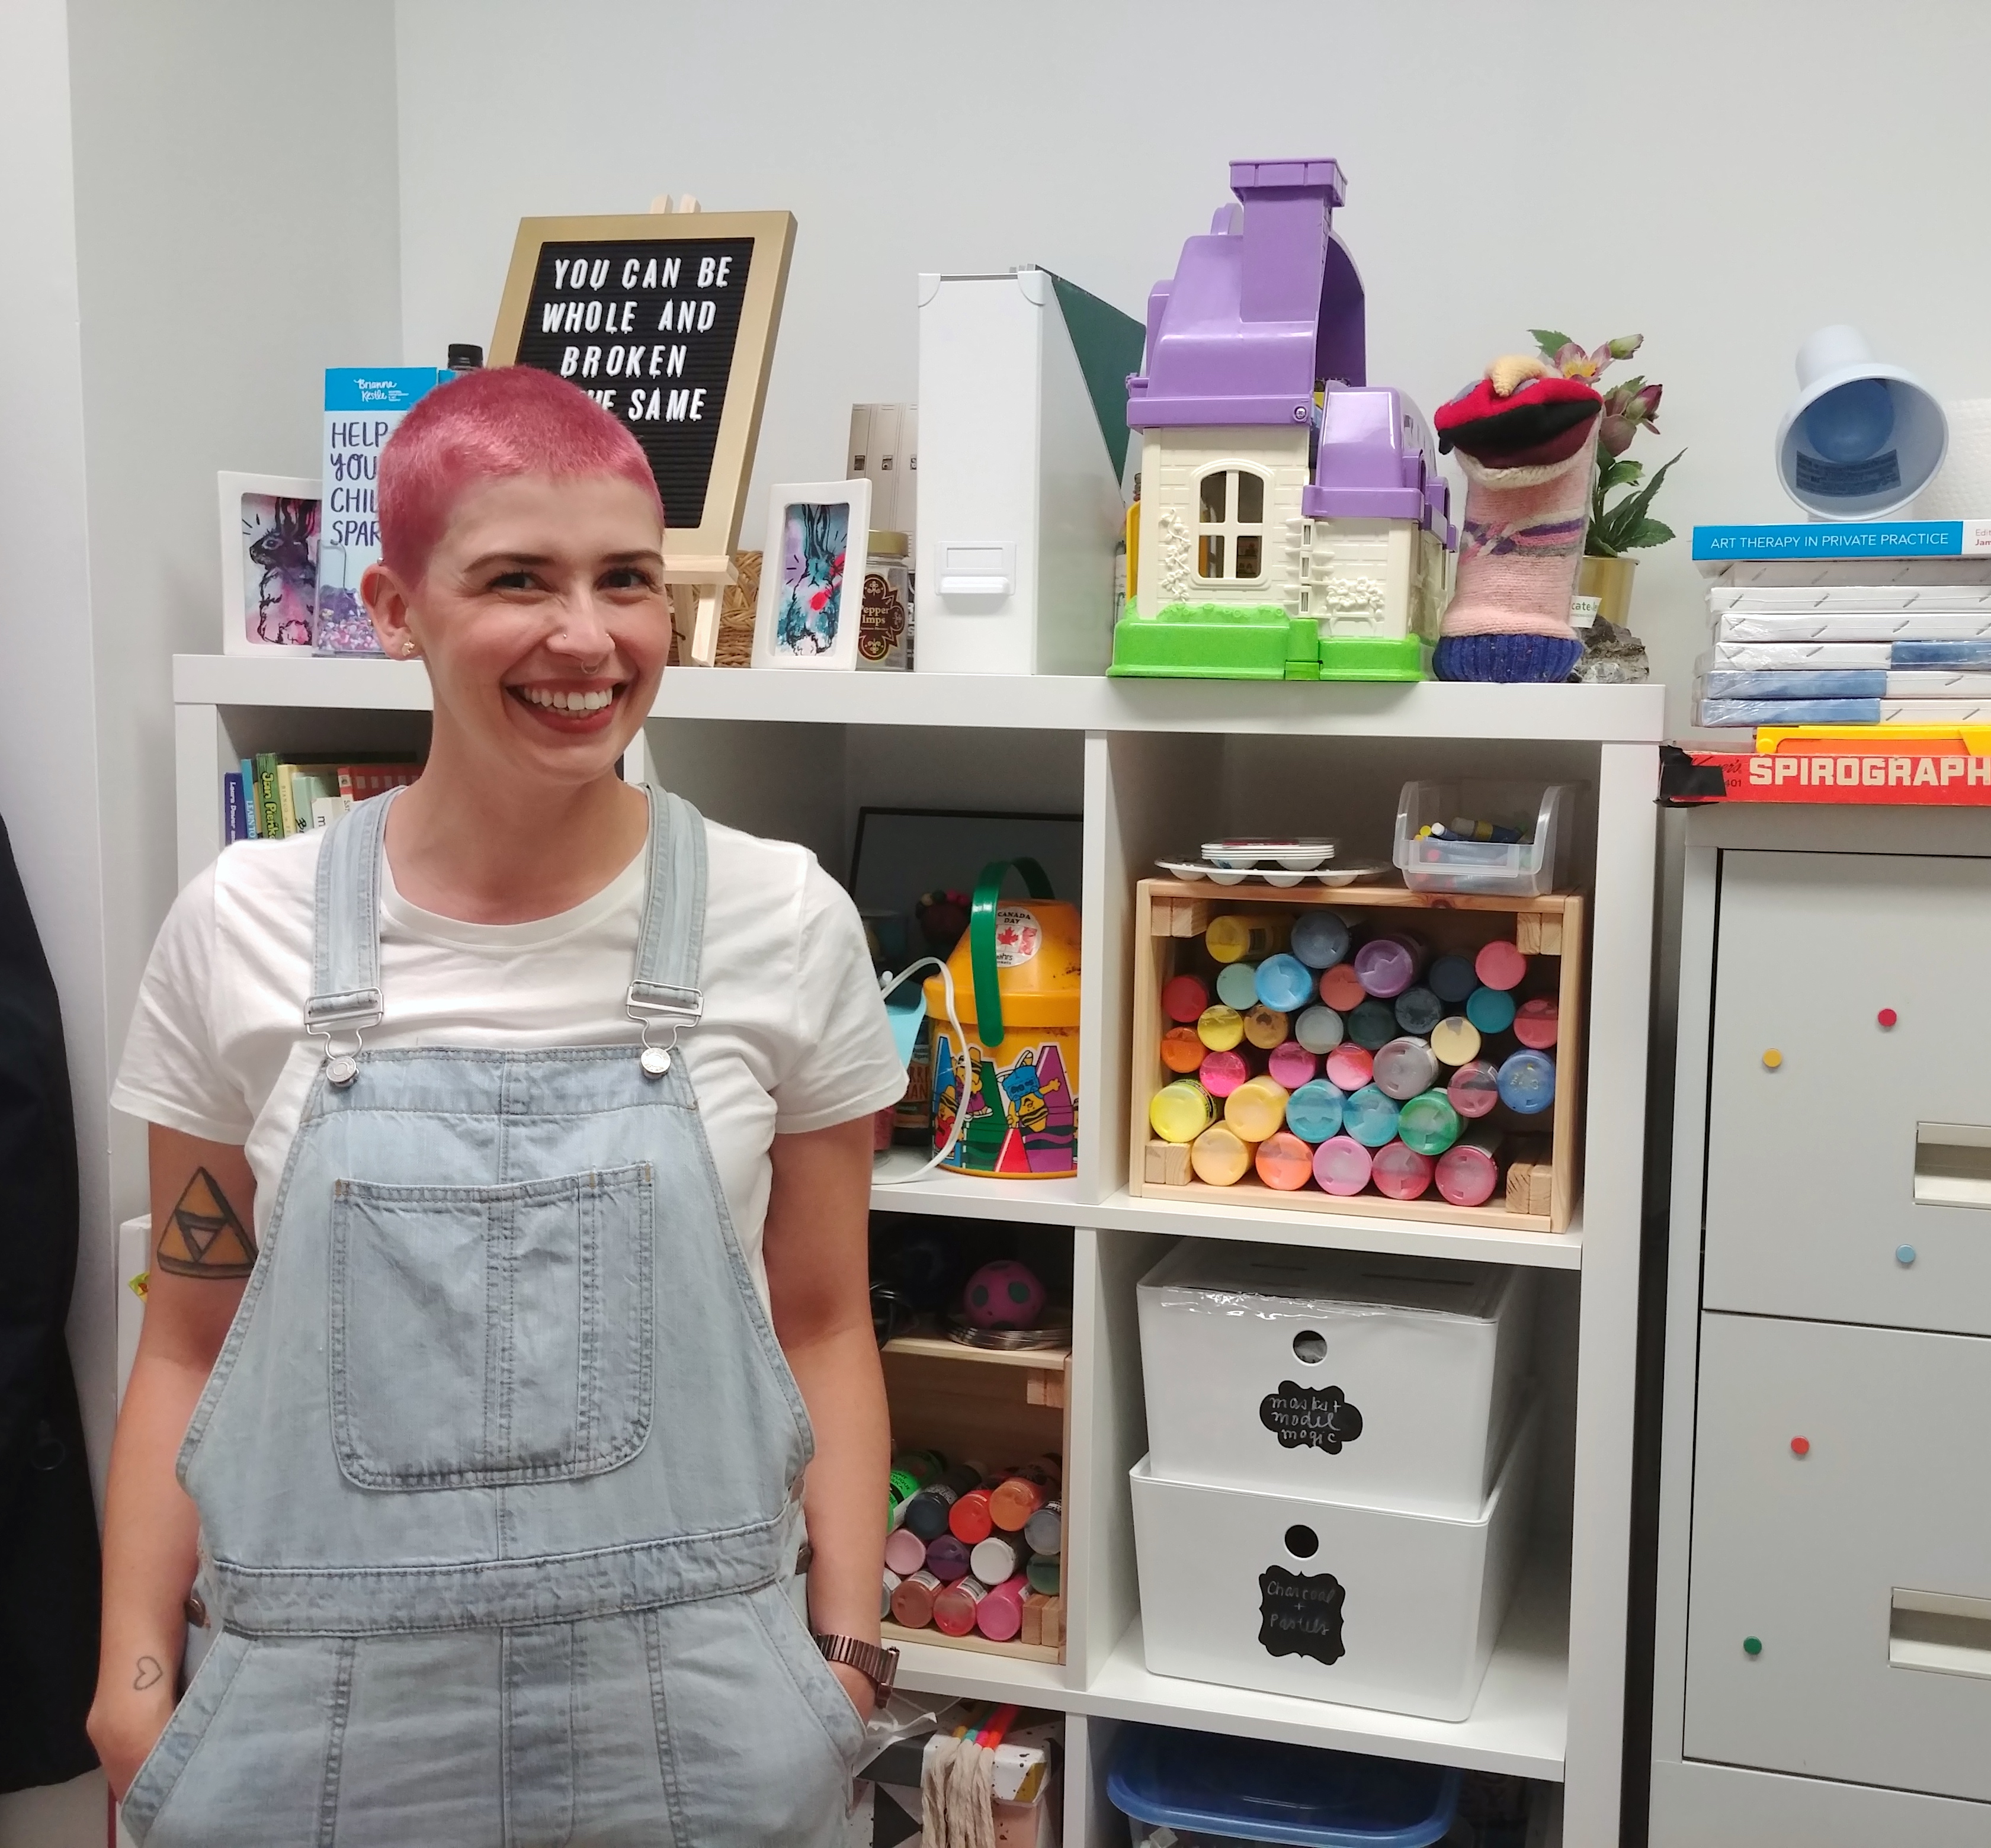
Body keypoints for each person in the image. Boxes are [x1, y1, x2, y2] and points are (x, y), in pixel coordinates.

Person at [91, 366, 904, 1844]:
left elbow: (825, 1323)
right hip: (310, 1726)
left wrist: (845, 1659)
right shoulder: (241, 925)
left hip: (704, 1727)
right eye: (516, 580)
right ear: (396, 610)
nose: (586, 639)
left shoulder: (780, 919)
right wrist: (133, 1683)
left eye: (628, 582)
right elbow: (190, 1338)